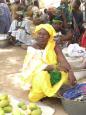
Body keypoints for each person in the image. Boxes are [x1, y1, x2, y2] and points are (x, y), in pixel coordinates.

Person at [19, 24, 76, 102]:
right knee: (42, 76)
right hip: (38, 75)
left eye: (45, 34)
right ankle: (52, 92)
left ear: (49, 37)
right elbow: (35, 66)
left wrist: (70, 71)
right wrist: (54, 67)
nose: (41, 36)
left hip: (52, 73)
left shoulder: (54, 46)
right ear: (36, 35)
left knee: (64, 73)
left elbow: (63, 60)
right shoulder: (32, 48)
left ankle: (53, 91)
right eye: (39, 34)